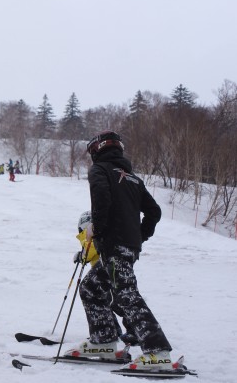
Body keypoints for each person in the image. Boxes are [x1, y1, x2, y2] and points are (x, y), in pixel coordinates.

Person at [66, 130, 172, 370]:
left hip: (114, 245)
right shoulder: (133, 178)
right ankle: (104, 341)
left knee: (126, 295)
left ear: (97, 150)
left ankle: (158, 352)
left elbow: (101, 199)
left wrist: (99, 230)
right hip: (126, 247)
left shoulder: (100, 170)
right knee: (91, 287)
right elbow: (154, 211)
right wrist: (138, 237)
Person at [71, 211, 137, 347]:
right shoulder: (89, 235)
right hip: (100, 276)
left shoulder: (95, 235)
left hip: (107, 273)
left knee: (116, 303)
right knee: (104, 303)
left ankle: (133, 331)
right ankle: (111, 329)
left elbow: (91, 251)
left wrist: (82, 255)